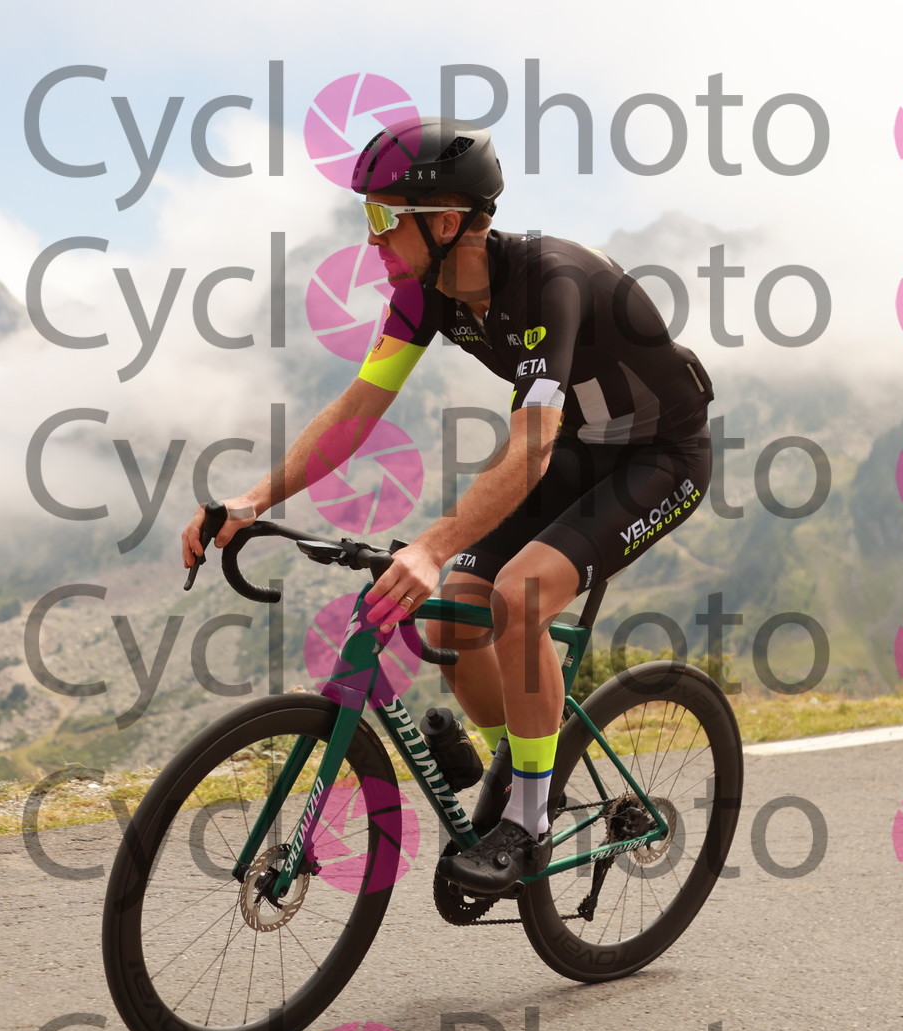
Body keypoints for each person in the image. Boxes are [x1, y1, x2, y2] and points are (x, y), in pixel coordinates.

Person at [180, 116, 714, 894]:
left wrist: (430, 545)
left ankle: (527, 822)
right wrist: (250, 500)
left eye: (384, 216)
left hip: (660, 456)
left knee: (519, 596)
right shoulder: (423, 295)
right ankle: (521, 764)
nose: (372, 237)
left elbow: (531, 443)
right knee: (453, 617)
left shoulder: (551, 281)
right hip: (581, 447)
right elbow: (357, 411)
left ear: (447, 221)